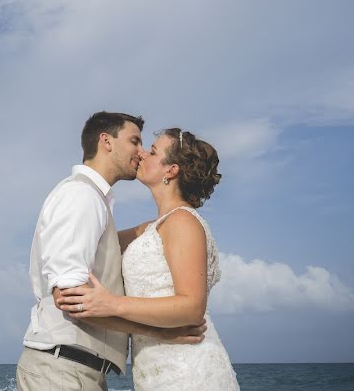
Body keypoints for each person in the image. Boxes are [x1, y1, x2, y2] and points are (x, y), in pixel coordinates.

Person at [17, 114, 208, 391]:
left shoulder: (95, 202)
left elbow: (126, 243)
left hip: (79, 369)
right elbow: (70, 298)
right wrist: (159, 332)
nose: (141, 152)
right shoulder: (81, 197)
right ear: (106, 141)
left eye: (148, 147)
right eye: (134, 141)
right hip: (63, 369)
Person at [56, 128, 240, 390]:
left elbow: (192, 306)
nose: (142, 153)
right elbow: (93, 240)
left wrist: (112, 304)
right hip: (154, 370)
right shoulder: (150, 229)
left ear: (171, 170)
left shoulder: (183, 223)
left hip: (186, 370)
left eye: (152, 151)